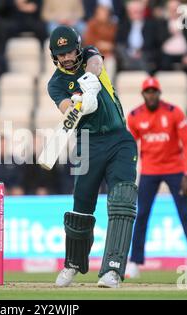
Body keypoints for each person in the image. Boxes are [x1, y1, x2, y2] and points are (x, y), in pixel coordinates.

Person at [47, 25, 138, 288]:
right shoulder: (55, 84)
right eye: (60, 53)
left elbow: (97, 63)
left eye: (69, 51)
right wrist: (78, 103)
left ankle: (112, 270)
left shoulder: (89, 55)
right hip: (86, 143)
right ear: (54, 55)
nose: (66, 57)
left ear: (77, 47)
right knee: (81, 207)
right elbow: (67, 112)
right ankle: (73, 264)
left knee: (122, 200)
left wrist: (88, 83)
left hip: (119, 138)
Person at [126, 76, 187, 279]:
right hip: (150, 171)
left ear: (159, 93)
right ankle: (134, 262)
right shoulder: (135, 116)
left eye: (154, 91)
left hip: (175, 170)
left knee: (185, 214)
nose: (151, 95)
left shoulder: (173, 112)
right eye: (148, 92)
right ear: (143, 94)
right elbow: (129, 147)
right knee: (142, 215)